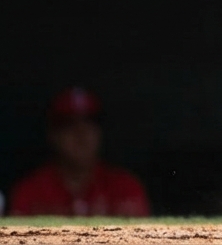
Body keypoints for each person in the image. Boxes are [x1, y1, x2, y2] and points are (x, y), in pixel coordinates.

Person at [8, 89, 150, 216]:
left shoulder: (126, 187)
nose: (81, 133)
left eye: (89, 122)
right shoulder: (29, 192)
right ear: (53, 135)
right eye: (69, 124)